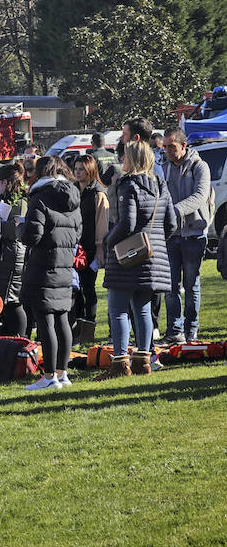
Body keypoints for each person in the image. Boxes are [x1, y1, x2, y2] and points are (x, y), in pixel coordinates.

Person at [100, 141, 173, 378]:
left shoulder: (128, 184)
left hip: (128, 256)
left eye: (125, 157)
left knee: (118, 308)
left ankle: (120, 363)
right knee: (142, 308)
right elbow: (171, 223)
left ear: (132, 159)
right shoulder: (161, 184)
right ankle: (143, 360)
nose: (122, 160)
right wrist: (156, 242)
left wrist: (108, 241)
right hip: (152, 256)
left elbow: (127, 223)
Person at [19, 156, 82, 390]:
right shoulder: (74, 197)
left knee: (45, 320)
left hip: (42, 264)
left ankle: (49, 377)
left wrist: (19, 228)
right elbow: (77, 233)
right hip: (65, 264)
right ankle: (62, 373)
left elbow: (32, 235)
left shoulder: (40, 197)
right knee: (62, 318)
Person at [162, 127, 211, 344]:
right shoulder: (163, 168)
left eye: (171, 146)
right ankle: (174, 331)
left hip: (194, 234)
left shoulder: (200, 166)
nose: (167, 151)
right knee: (170, 287)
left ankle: (191, 330)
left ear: (183, 145)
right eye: (164, 147)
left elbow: (200, 196)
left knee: (191, 285)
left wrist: (173, 211)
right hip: (171, 236)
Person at [70, 154, 108, 339]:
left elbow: (102, 223)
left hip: (91, 247)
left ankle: (89, 326)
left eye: (81, 169)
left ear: (90, 170)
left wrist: (99, 248)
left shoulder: (98, 193)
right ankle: (76, 326)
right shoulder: (73, 190)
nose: (77, 172)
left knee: (88, 288)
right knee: (75, 288)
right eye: (76, 169)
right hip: (74, 246)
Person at [0, 164, 28, 338]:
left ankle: (19, 338)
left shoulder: (20, 201)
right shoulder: (4, 199)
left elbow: (15, 230)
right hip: (4, 254)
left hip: (14, 254)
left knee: (12, 299)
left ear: (5, 182)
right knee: (3, 300)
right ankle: (5, 336)